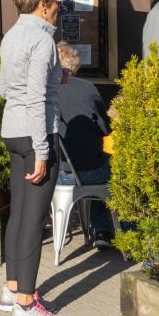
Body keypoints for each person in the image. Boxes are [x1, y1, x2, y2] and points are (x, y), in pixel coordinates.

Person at [0, 0, 68, 316]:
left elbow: (6, 87)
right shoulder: (41, 41)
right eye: (57, 2)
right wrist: (43, 151)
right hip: (36, 134)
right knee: (34, 219)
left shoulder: (10, 36)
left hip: (12, 131)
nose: (59, 8)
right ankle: (26, 304)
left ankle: (12, 289)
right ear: (43, 5)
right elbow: (38, 98)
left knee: (19, 214)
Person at [55, 42, 115, 249]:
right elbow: (105, 129)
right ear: (76, 67)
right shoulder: (87, 88)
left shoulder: (46, 91)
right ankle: (107, 230)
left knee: (95, 165)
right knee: (108, 169)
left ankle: (59, 231)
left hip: (57, 173)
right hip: (88, 171)